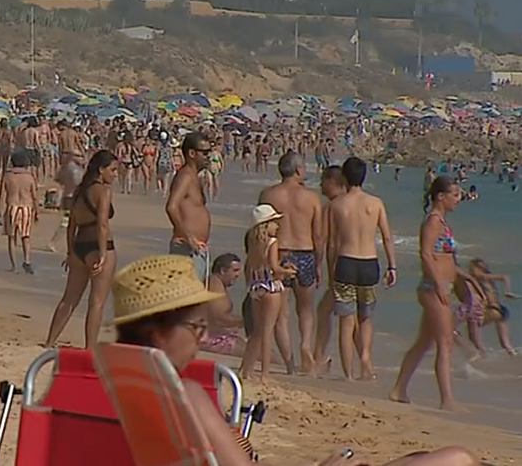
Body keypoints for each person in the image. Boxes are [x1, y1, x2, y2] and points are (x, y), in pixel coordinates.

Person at [111, 254, 480, 466]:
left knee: (430, 458)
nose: (203, 337)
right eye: (195, 326)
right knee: (455, 459)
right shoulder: (183, 395)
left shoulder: (105, 387)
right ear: (158, 332)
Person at [390, 176, 463, 410]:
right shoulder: (432, 221)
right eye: (455, 195)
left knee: (424, 342)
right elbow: (425, 254)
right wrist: (440, 283)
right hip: (434, 288)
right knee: (445, 341)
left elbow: (446, 258)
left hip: (441, 286)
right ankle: (447, 399)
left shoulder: (442, 222)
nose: (458, 200)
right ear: (440, 196)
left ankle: (398, 389)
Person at [328, 157, 397, 381]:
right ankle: (365, 359)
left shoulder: (337, 204)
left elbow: (332, 243)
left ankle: (348, 374)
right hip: (369, 263)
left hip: (346, 263)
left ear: (344, 177)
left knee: (346, 323)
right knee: (366, 317)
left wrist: (330, 271)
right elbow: (387, 237)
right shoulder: (375, 203)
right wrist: (392, 266)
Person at [44, 150, 118, 349]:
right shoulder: (103, 191)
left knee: (69, 299)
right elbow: (102, 224)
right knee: (97, 303)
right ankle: (90, 349)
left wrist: (70, 252)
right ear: (101, 170)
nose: (115, 174)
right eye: (113, 170)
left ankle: (49, 341)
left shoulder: (79, 191)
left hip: (78, 246)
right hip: (99, 248)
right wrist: (103, 254)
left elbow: (71, 225)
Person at [258, 151, 322, 374]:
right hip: (306, 253)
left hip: (279, 253)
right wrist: (319, 264)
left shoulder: (268, 194)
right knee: (305, 309)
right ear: (298, 170)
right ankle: (305, 344)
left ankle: (290, 365)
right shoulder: (312, 198)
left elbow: (261, 232)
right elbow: (318, 235)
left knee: (280, 315)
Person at [239, 204, 297, 382]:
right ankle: (265, 373)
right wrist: (288, 272)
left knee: (257, 332)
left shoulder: (253, 242)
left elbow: (249, 266)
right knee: (267, 331)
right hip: (271, 286)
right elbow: (273, 267)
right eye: (274, 222)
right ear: (266, 224)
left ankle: (245, 369)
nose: (277, 226)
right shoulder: (272, 242)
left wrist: (250, 284)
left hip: (257, 287)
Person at [312, 165, 348, 375]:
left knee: (325, 311)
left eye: (323, 181)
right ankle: (365, 364)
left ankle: (319, 357)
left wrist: (320, 266)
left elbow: (325, 241)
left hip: (341, 267)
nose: (320, 185)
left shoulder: (331, 207)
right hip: (362, 263)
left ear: (333, 182)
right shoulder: (354, 203)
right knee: (356, 318)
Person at [166, 132, 212, 284]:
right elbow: (171, 207)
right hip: (187, 247)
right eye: (205, 153)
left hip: (195, 248)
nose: (208, 156)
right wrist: (188, 237)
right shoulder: (185, 176)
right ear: (192, 153)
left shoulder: (193, 176)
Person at [0, 149, 39, 274]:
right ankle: (27, 260)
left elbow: (1, 196)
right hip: (26, 208)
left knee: (11, 238)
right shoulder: (30, 177)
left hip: (12, 207)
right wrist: (37, 212)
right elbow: (34, 196)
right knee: (26, 237)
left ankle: (14, 266)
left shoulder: (8, 176)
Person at [201, 253, 247, 356]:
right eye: (235, 270)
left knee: (259, 348)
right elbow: (219, 319)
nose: (238, 275)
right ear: (222, 271)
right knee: (257, 352)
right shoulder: (215, 287)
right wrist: (248, 321)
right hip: (210, 338)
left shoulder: (216, 283)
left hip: (216, 334)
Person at [47, 151, 84, 253]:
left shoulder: (65, 168)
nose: (81, 158)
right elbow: (80, 183)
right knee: (67, 222)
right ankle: (53, 242)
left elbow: (58, 180)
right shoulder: (76, 170)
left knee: (70, 222)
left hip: (66, 197)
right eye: (79, 156)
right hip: (73, 198)